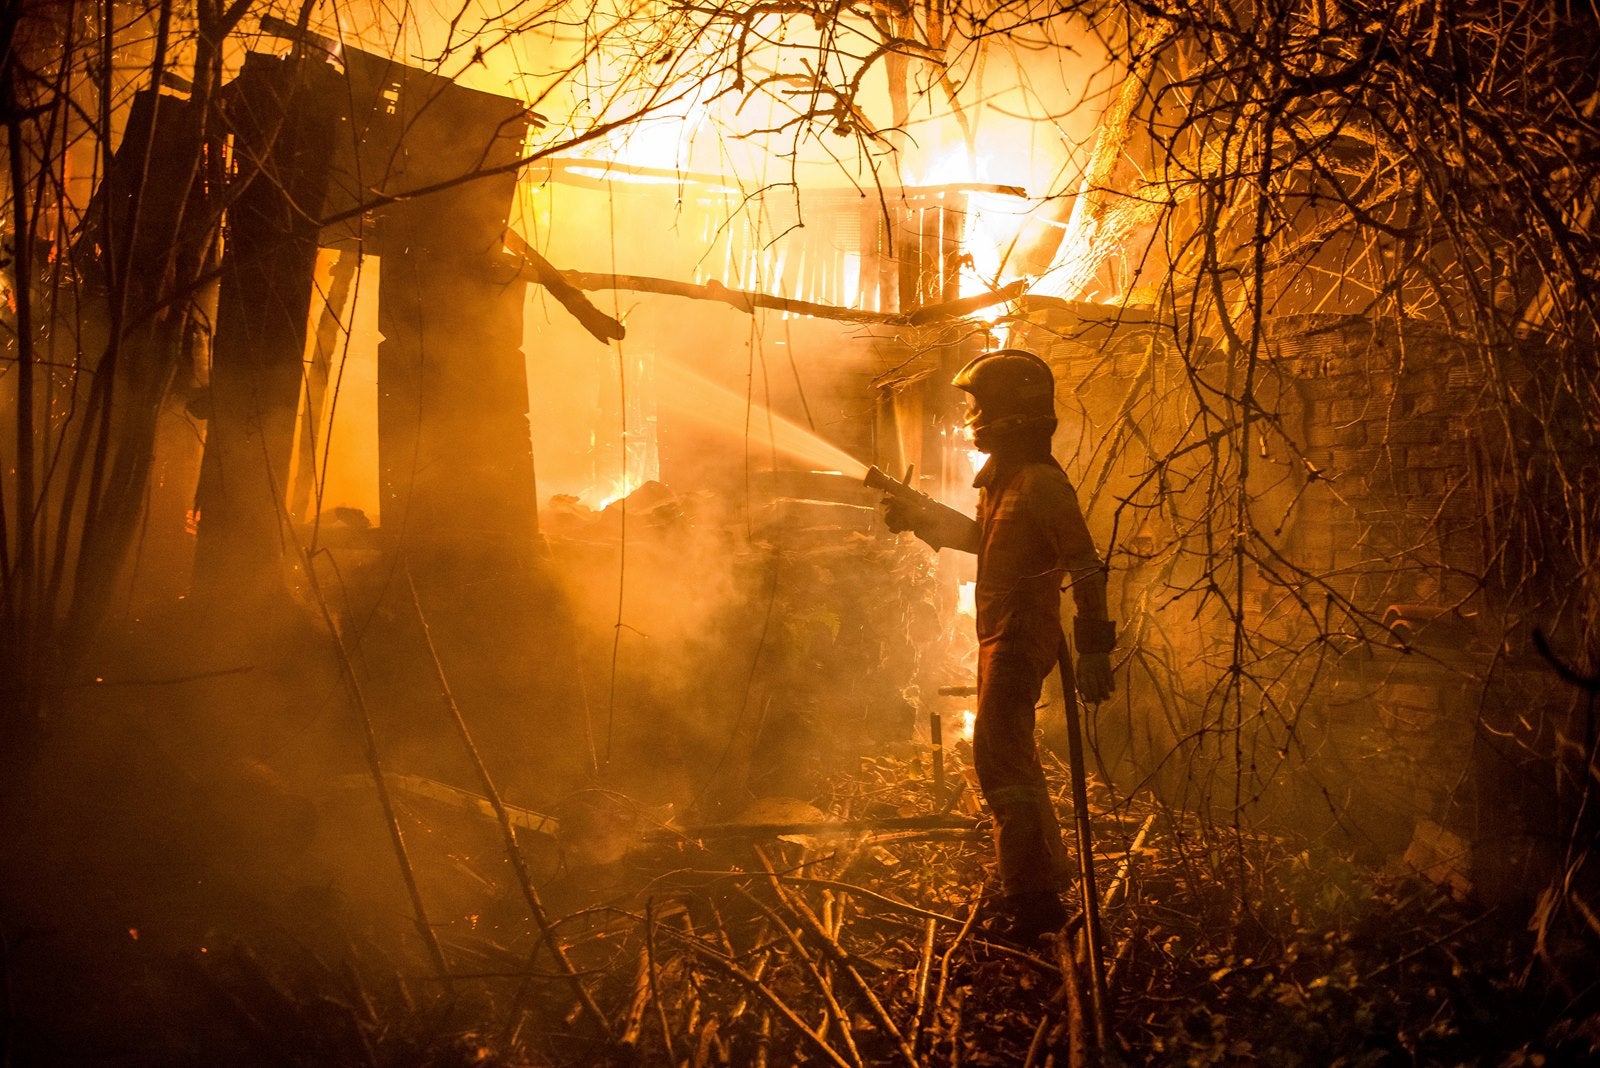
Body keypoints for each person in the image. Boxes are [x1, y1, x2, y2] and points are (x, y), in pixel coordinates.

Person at [881, 348, 1116, 944]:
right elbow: (984, 541)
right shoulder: (1004, 481)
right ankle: (1040, 880)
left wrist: (1094, 647)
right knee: (1006, 756)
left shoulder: (1041, 483)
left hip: (1020, 635)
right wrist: (920, 516)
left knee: (1000, 757)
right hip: (999, 633)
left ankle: (1035, 903)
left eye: (982, 406)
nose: (973, 418)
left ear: (1013, 412)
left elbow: (1086, 564)